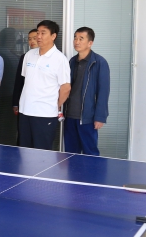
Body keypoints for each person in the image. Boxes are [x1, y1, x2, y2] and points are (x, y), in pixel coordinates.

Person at [18, 20, 71, 150]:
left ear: (53, 36)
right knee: (24, 150)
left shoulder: (60, 59)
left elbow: (65, 88)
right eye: (38, 32)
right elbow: (26, 80)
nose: (39, 36)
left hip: (45, 114)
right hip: (25, 111)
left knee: (41, 153)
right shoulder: (29, 55)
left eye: (43, 33)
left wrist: (54, 104)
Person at [63, 27, 110, 156]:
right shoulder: (72, 61)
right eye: (75, 38)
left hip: (87, 118)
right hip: (69, 115)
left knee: (90, 153)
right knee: (70, 154)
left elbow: (103, 91)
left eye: (81, 39)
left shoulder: (99, 62)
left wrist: (100, 117)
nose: (76, 41)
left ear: (90, 43)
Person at [12, 29, 38, 116]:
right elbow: (19, 81)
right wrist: (15, 103)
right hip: (25, 101)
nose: (32, 41)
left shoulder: (49, 57)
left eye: (34, 38)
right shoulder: (25, 57)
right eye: (29, 39)